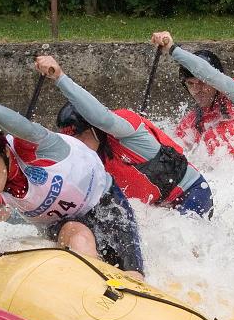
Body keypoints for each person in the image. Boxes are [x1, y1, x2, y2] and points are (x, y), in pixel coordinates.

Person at [0, 77, 144, 285]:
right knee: (79, 239)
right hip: (63, 224)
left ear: (6, 153)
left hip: (105, 202)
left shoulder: (31, 147)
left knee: (133, 277)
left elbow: (19, 124)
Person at [34, 55, 213, 218]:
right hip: (160, 210)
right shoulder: (90, 161)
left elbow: (101, 117)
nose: (76, 145)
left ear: (95, 130)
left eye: (80, 136)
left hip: (192, 192)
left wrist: (60, 77)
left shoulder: (126, 130)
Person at [150, 31, 234, 161]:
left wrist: (172, 49)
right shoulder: (193, 120)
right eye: (190, 84)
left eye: (202, 82)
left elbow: (209, 74)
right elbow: (172, 148)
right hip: (231, 177)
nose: (197, 89)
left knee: (221, 131)